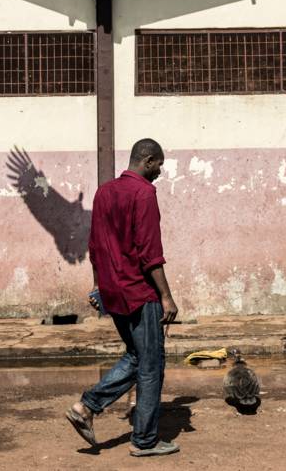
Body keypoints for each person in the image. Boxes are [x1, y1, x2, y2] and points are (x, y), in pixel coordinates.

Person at [65, 138, 180, 457]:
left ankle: (86, 408)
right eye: (159, 165)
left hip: (113, 292)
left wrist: (98, 286)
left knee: (136, 356)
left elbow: (95, 246)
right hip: (140, 292)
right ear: (148, 160)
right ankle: (144, 440)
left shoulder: (105, 192)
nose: (160, 171)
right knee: (152, 364)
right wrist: (166, 296)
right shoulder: (144, 193)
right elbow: (150, 253)